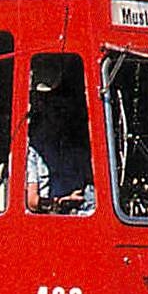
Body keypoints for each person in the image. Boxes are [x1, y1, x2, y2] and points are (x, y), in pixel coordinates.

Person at [25, 64, 95, 215]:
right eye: (55, 108)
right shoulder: (34, 148)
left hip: (79, 215)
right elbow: (32, 201)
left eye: (63, 108)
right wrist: (59, 203)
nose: (60, 114)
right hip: (45, 219)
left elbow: (91, 187)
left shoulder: (80, 147)